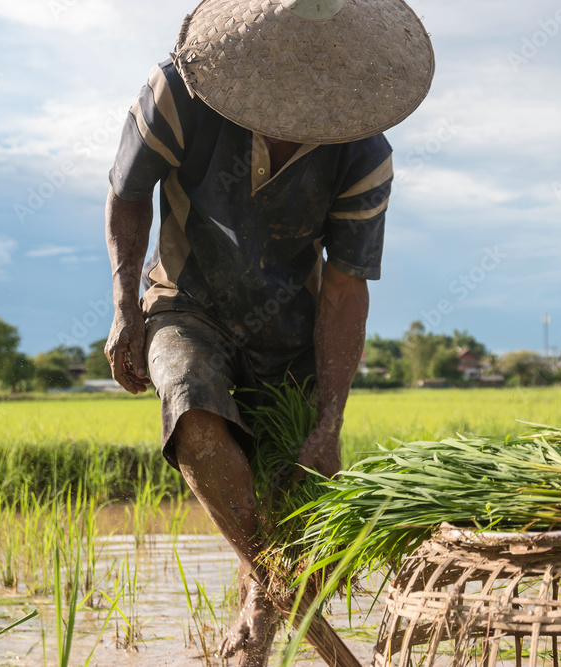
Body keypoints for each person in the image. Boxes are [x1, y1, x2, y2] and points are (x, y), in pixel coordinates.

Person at [103, 1, 433, 664]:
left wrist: (329, 423)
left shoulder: (361, 153)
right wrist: (123, 306)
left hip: (289, 328)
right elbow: (128, 195)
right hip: (184, 299)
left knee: (291, 480)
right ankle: (273, 589)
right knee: (192, 409)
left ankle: (260, 599)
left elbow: (343, 288)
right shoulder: (180, 92)